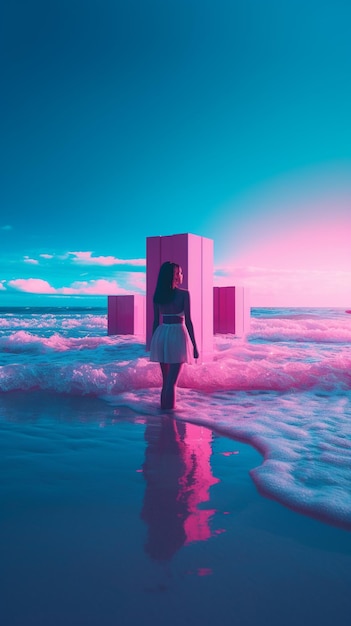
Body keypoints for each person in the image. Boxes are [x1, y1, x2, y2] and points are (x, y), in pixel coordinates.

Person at [150, 261, 199, 410]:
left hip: (161, 334)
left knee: (166, 382)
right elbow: (189, 321)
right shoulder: (184, 294)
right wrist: (195, 345)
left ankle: (163, 413)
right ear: (175, 276)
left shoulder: (158, 295)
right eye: (181, 272)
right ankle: (169, 418)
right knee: (172, 382)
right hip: (177, 334)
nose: (182, 275)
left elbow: (155, 321)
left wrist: (153, 343)